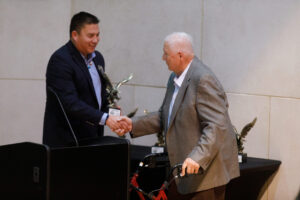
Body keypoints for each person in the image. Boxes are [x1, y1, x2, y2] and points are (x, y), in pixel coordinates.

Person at [117, 32, 240, 200]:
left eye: (166, 54)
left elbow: (217, 125)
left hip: (206, 174)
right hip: (183, 172)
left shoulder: (203, 79)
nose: (163, 58)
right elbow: (166, 115)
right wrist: (132, 124)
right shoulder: (174, 77)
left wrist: (197, 157)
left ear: (180, 55)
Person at [43, 11, 125, 148]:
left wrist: (113, 114)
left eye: (98, 35)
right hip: (67, 143)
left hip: (93, 138)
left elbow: (98, 98)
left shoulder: (98, 58)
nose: (96, 40)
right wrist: (106, 119)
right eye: (90, 35)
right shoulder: (60, 60)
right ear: (75, 35)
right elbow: (71, 103)